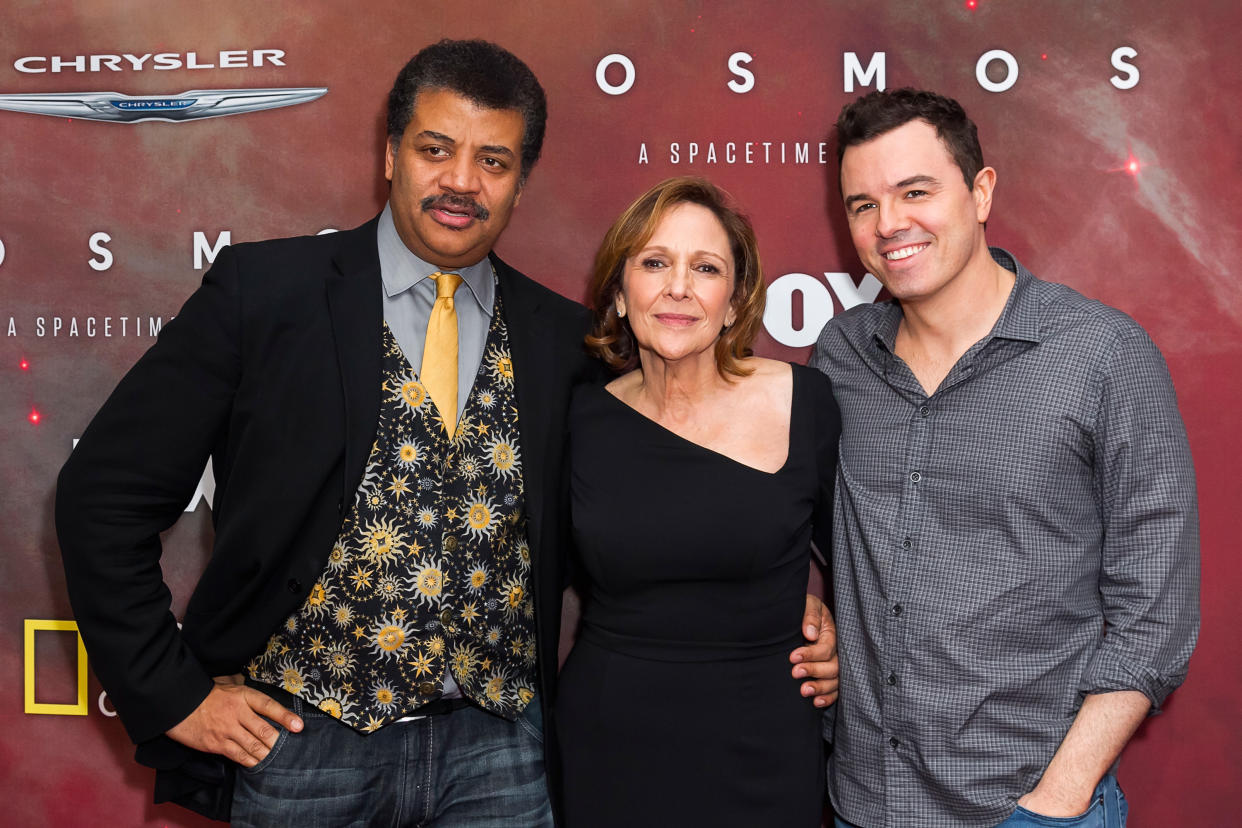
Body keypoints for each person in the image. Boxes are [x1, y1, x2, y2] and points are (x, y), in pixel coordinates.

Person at [55, 41, 841, 825]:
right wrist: (172, 692)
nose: (463, 181)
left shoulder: (567, 345)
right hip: (303, 749)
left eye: (494, 161)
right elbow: (103, 495)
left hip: (499, 758)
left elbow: (664, 499)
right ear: (391, 154)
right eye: (437, 149)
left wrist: (785, 603)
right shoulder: (263, 296)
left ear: (520, 184)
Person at [811, 88, 1199, 828]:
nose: (889, 224)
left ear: (981, 191)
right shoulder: (840, 358)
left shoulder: (1103, 356)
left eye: (915, 191)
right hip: (865, 803)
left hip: (1026, 809)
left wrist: (1056, 802)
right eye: (862, 204)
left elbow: (1157, 617)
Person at [555, 176, 842, 827]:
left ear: (735, 302)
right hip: (609, 748)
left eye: (705, 268)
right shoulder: (577, 419)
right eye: (655, 263)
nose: (678, 286)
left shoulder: (806, 402)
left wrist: (843, 637)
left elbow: (870, 559)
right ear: (621, 294)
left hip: (763, 750)